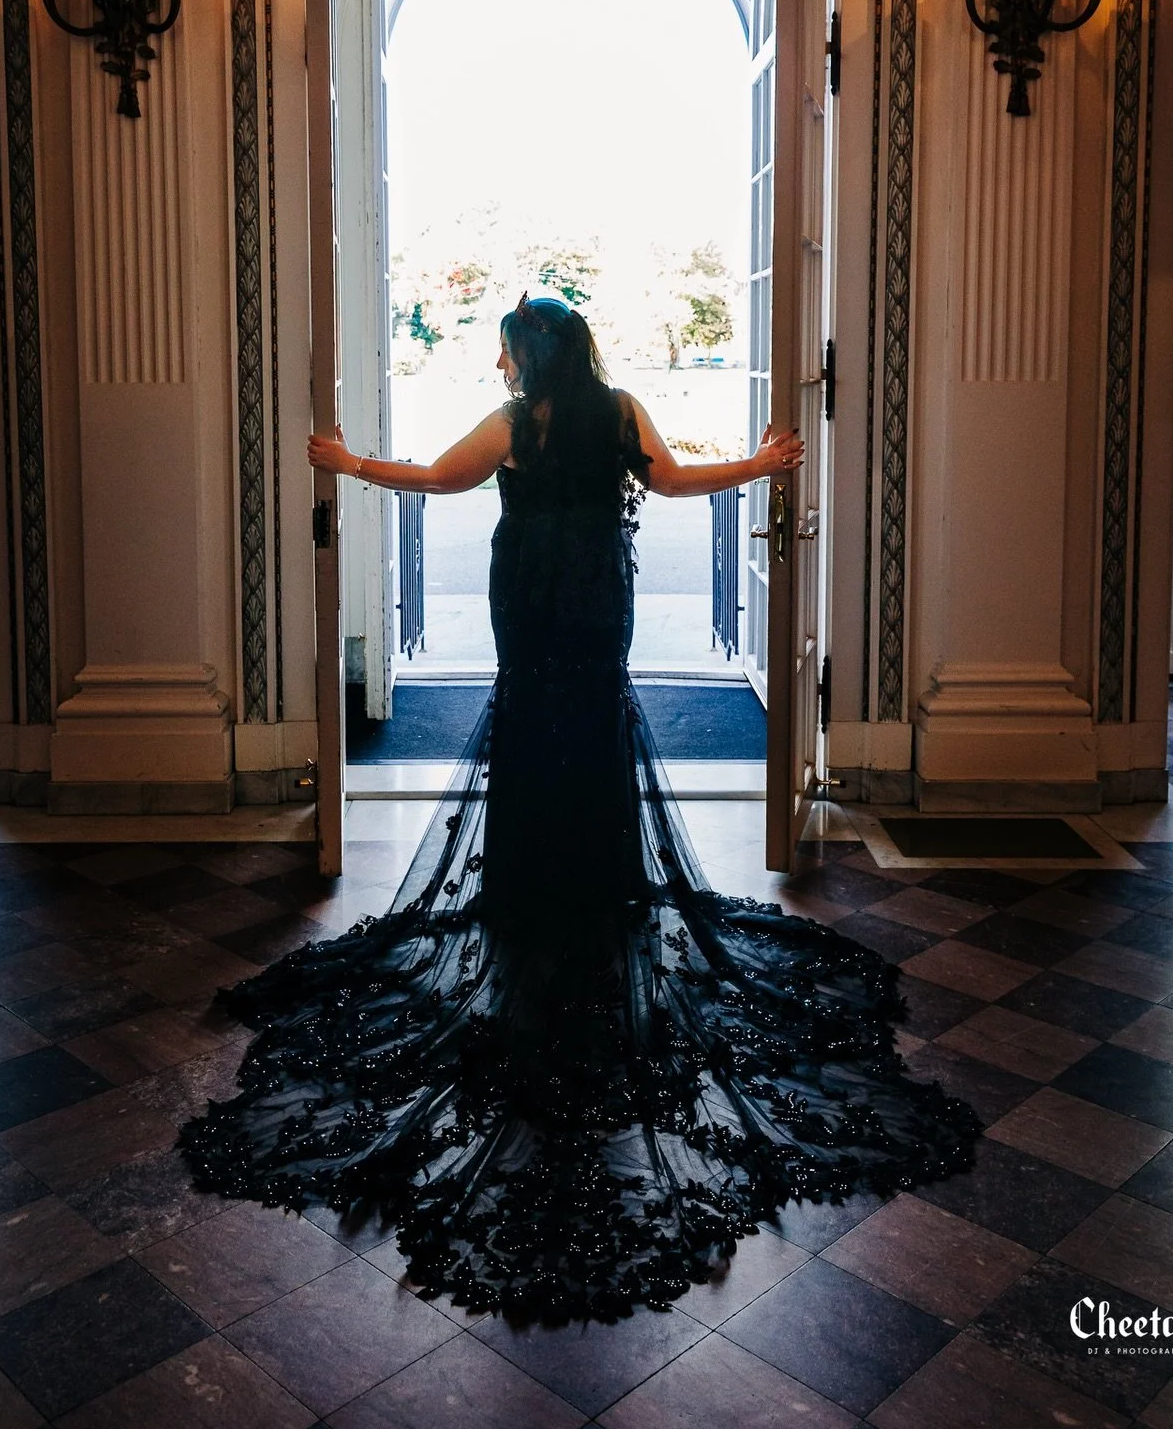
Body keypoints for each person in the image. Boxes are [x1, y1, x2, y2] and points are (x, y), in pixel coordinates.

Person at [181, 294, 977, 1322]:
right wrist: (768, 463)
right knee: (593, 716)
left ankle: (530, 885)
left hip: (532, 590)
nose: (499, 359)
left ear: (526, 353)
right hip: (599, 589)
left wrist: (342, 465)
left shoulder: (518, 423)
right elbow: (681, 482)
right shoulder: (620, 408)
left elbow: (433, 480)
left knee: (535, 721)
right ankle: (598, 882)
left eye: (505, 346)